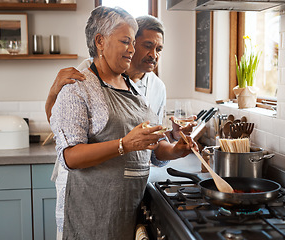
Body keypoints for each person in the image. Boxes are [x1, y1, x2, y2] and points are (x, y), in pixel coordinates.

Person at [50, 6, 197, 240]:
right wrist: (124, 144)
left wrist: (176, 149)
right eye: (126, 42)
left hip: (128, 207)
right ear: (100, 41)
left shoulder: (134, 86)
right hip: (92, 208)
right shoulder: (78, 83)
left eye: (132, 42)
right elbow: (69, 156)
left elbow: (151, 149)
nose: (133, 49)